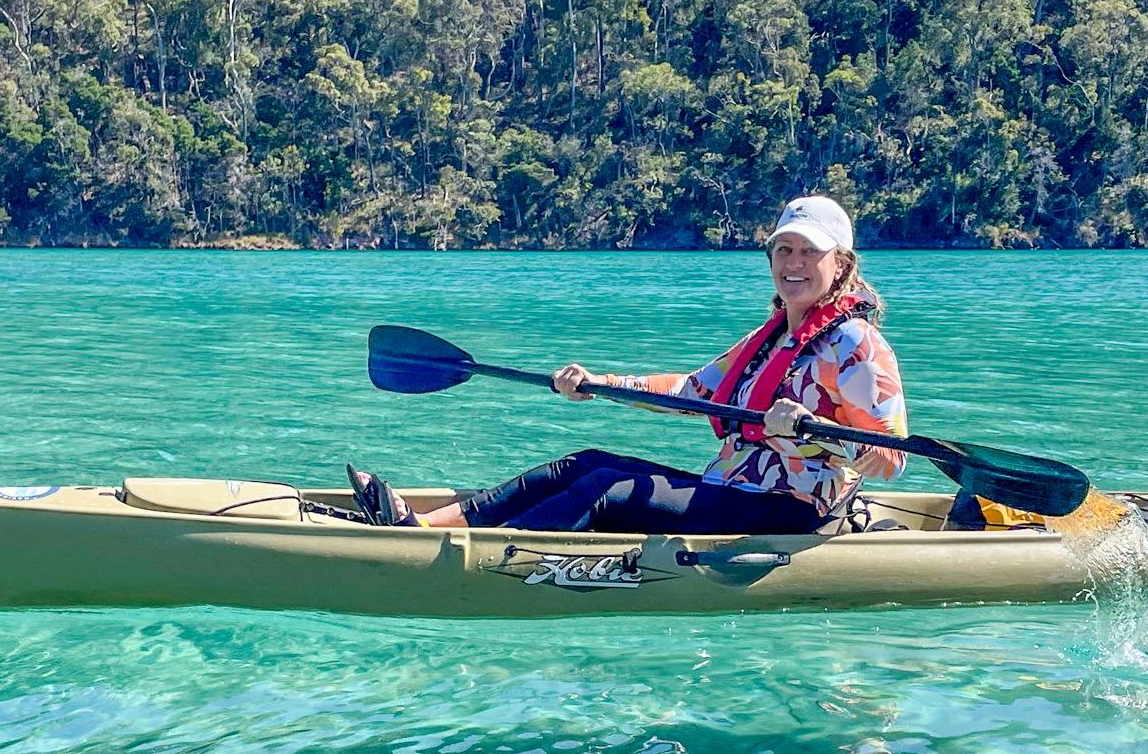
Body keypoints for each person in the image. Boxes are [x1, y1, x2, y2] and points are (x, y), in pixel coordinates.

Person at [347, 194, 908, 535]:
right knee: (581, 465)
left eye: (810, 251)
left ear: (841, 266)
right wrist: (598, 383)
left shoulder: (856, 345)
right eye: (785, 249)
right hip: (732, 488)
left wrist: (816, 433)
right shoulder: (769, 339)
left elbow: (890, 457)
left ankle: (480, 561)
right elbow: (691, 391)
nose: (794, 263)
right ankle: (424, 527)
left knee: (608, 491)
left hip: (793, 510)